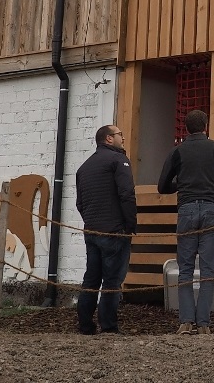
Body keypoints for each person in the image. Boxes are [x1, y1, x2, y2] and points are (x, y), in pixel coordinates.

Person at [157, 109, 214, 335]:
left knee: (185, 268)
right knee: (207, 269)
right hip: (212, 209)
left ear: (186, 128)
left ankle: (186, 321)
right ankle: (203, 323)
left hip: (186, 209)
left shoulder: (177, 152)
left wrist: (182, 186)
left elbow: (162, 186)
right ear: (206, 125)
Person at [75, 124, 137, 335]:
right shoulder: (119, 160)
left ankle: (85, 325)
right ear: (109, 139)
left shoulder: (84, 167)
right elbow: (126, 194)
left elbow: (80, 203)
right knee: (112, 281)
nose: (123, 138)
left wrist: (91, 222)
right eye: (120, 134)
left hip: (92, 231)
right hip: (114, 231)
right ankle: (108, 327)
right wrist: (130, 225)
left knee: (91, 278)